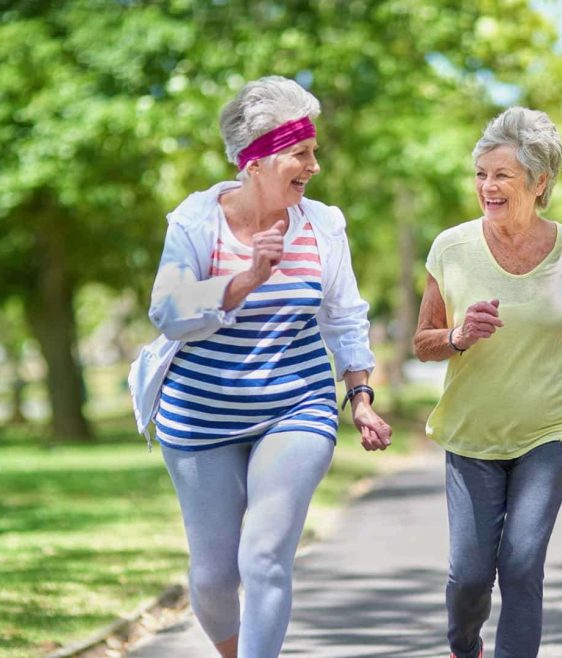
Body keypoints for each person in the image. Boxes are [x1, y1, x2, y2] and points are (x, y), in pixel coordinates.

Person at [129, 75, 391, 658]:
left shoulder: (323, 226)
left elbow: (345, 318)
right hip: (200, 416)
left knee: (264, 555)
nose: (314, 165)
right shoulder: (197, 223)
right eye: (301, 153)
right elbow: (166, 311)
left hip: (295, 406)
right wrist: (246, 279)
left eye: (313, 150)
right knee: (215, 578)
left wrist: (361, 394)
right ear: (256, 161)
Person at [413, 107, 562, 658]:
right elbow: (422, 341)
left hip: (548, 430)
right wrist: (459, 335)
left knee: (520, 563)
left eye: (501, 175)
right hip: (472, 433)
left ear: (540, 183)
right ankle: (465, 646)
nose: (487, 187)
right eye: (481, 174)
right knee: (468, 576)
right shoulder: (452, 249)